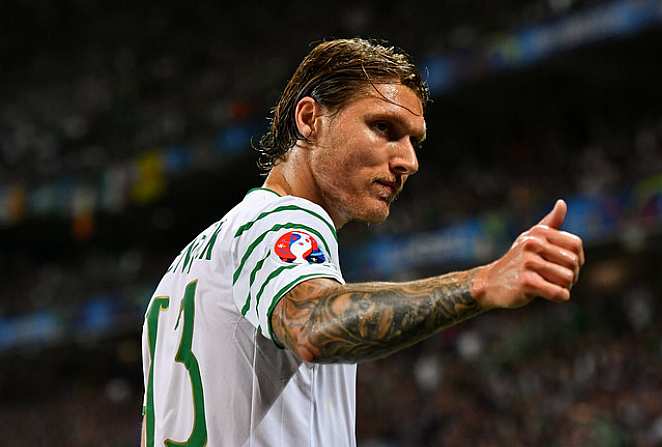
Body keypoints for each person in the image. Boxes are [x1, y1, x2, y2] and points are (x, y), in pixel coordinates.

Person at [141, 38, 584, 447]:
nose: (408, 160)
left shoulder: (184, 268)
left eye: (414, 141)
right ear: (310, 119)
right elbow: (310, 323)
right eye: (384, 128)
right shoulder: (282, 220)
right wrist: (483, 283)